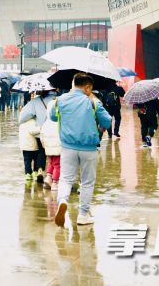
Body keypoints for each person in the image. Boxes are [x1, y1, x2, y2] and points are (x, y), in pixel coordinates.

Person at [51, 73, 112, 227]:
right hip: (89, 149)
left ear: (73, 84)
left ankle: (63, 200)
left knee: (65, 179)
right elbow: (107, 121)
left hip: (67, 147)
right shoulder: (93, 102)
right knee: (87, 182)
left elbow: (52, 117)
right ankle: (83, 215)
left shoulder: (60, 100)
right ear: (88, 87)